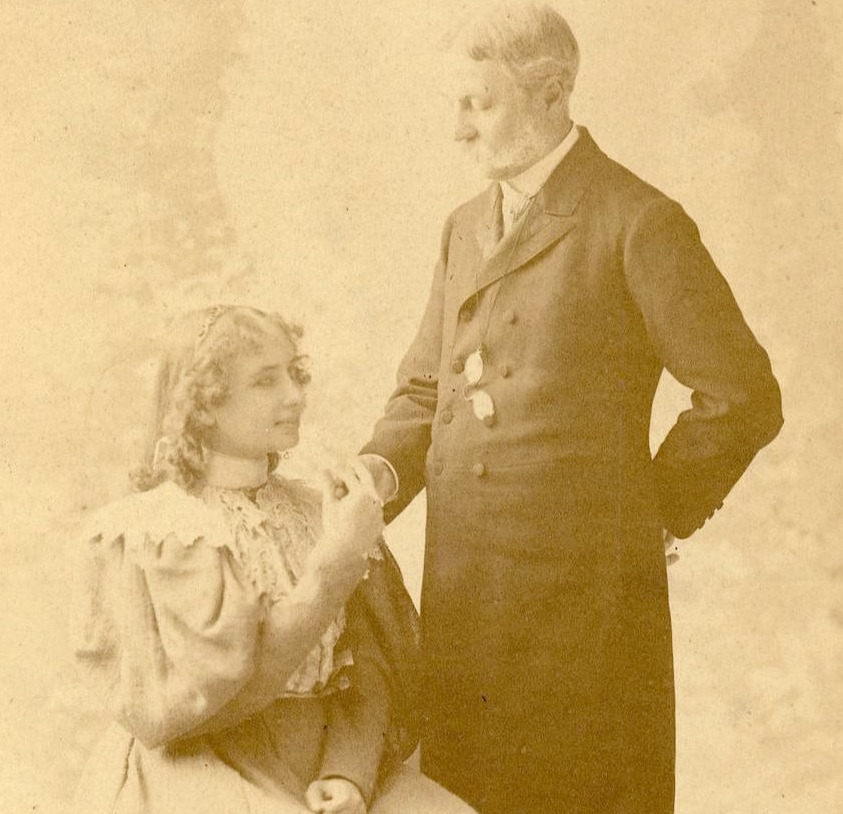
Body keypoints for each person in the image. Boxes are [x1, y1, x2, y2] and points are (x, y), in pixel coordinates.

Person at [359, 4, 784, 813]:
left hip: (581, 607)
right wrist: (371, 478)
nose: (457, 130)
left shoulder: (637, 221)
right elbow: (426, 389)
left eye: (475, 104)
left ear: (550, 91)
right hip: (465, 588)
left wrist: (648, 514)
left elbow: (741, 397)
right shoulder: (463, 228)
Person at [70, 305, 477, 814]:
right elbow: (207, 705)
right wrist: (334, 565)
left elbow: (372, 671)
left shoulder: (316, 511)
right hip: (204, 765)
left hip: (328, 760)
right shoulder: (170, 529)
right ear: (203, 405)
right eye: (265, 381)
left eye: (295, 374)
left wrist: (349, 771)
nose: (294, 395)